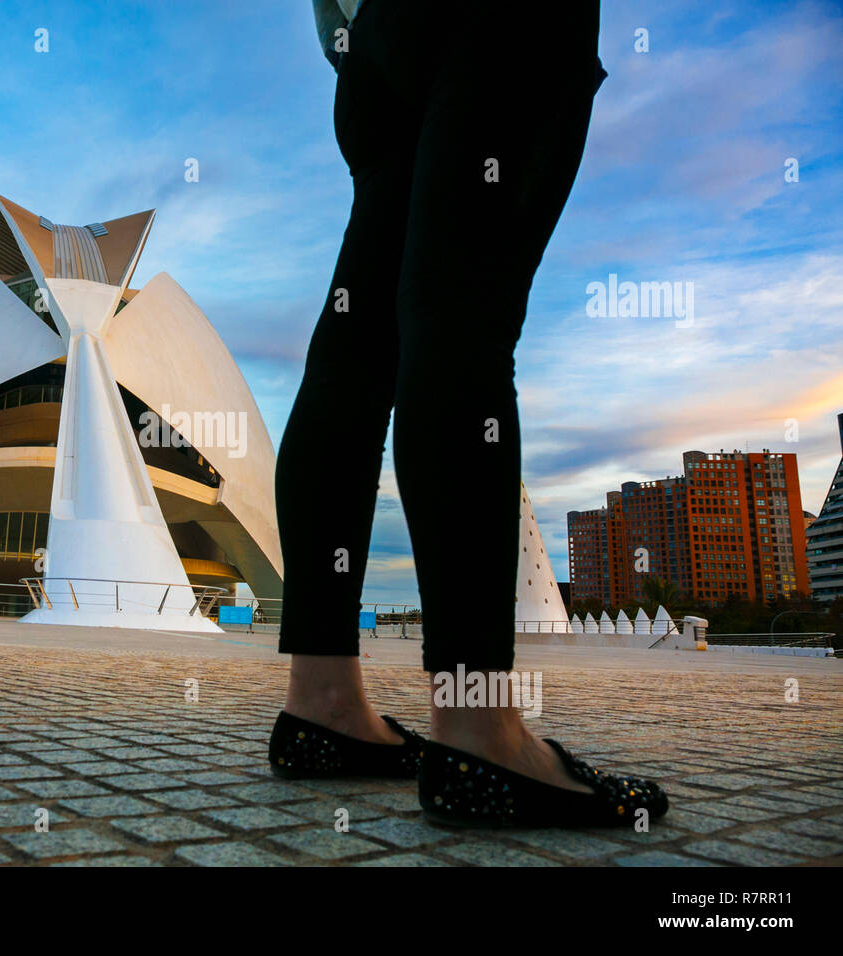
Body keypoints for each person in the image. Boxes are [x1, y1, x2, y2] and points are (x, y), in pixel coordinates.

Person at [268, 0, 668, 827]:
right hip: (485, 18)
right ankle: (480, 730)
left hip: (368, 42)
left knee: (353, 353)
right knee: (459, 317)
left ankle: (323, 703)